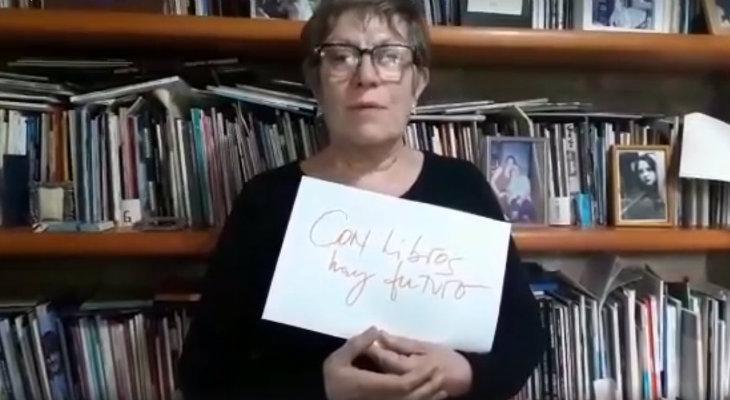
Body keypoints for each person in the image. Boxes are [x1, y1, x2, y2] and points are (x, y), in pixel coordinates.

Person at [179, 1, 546, 399]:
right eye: (341, 57)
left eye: (389, 56)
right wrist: (320, 389)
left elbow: (523, 337)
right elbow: (204, 375)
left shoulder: (463, 187)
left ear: (418, 82)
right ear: (316, 83)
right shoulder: (267, 201)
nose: (366, 76)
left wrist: (468, 373)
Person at [621, 153, 666, 220]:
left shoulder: (665, 194)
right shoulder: (639, 202)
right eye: (640, 172)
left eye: (649, 169)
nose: (645, 174)